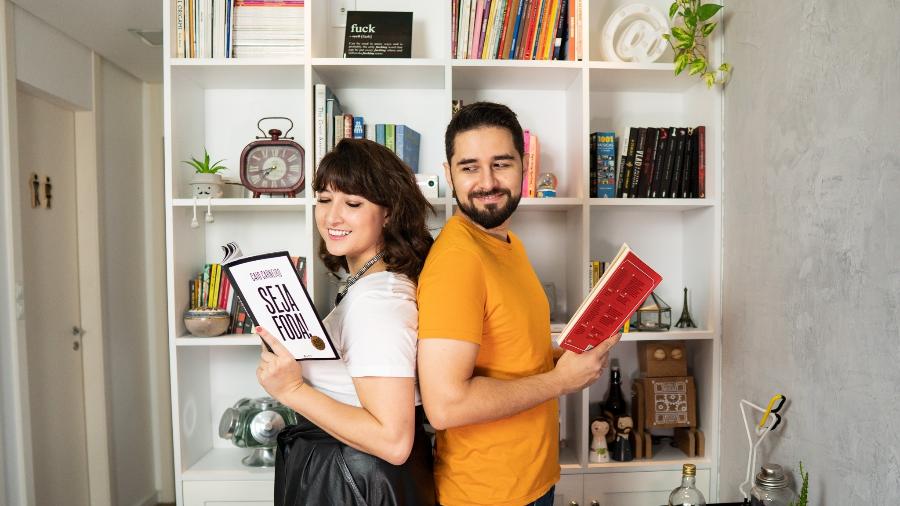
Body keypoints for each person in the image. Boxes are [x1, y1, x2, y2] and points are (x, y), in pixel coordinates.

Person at [416, 102, 621, 506]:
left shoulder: (507, 244)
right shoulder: (457, 261)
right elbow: (446, 406)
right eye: (469, 167)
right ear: (449, 175)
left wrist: (566, 358)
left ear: (524, 168)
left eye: (501, 163)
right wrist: (561, 381)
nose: (487, 182)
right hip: (487, 495)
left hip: (532, 479)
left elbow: (509, 353)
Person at [255, 138, 437, 505]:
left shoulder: (378, 302)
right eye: (324, 199)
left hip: (358, 482)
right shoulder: (366, 285)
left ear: (388, 213)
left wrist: (291, 390)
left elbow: (393, 441)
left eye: (353, 203)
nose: (332, 217)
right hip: (351, 474)